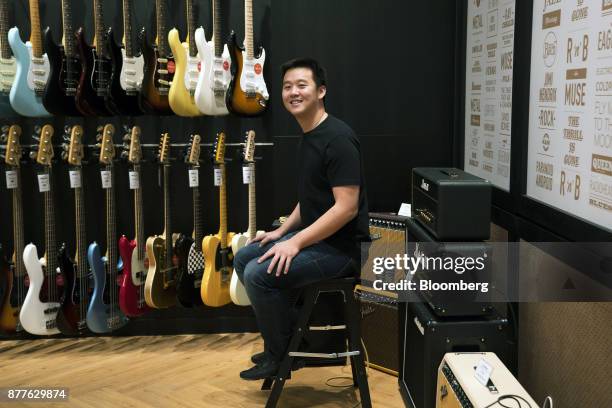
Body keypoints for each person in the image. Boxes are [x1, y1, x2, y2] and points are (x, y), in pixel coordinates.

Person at [234, 57, 369, 380]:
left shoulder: (337, 139)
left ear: (321, 91)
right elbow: (311, 199)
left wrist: (293, 243)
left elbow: (345, 207)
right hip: (317, 239)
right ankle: (291, 342)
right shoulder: (309, 134)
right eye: (287, 87)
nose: (293, 92)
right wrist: (282, 231)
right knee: (244, 257)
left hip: (342, 250)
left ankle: (282, 355)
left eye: (302, 85)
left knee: (257, 274)